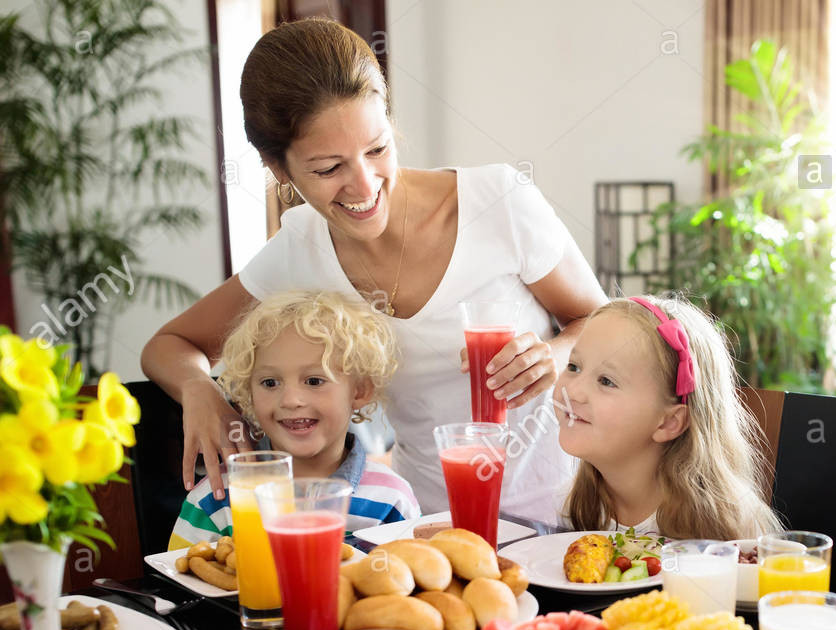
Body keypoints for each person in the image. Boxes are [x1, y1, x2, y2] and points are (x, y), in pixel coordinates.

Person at [141, 18, 606, 522]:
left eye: (378, 149)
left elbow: (601, 322)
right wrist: (200, 390)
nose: (364, 186)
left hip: (563, 512)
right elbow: (168, 346)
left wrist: (555, 355)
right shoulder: (301, 248)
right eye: (327, 169)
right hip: (420, 526)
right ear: (279, 170)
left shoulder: (500, 202)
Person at [168, 291, 418, 548]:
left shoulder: (391, 498)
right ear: (248, 394)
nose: (290, 400)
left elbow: (413, 578)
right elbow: (177, 580)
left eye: (313, 381)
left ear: (360, 391)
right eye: (270, 383)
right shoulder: (216, 498)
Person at [553, 295, 780, 540]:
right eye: (574, 366)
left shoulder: (728, 527)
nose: (573, 391)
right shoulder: (574, 507)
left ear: (669, 422)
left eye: (606, 381)